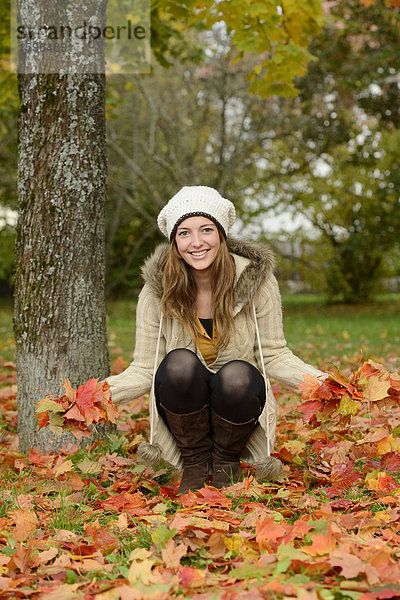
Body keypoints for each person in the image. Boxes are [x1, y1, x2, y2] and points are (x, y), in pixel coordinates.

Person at [106, 186, 327, 494]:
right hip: (182, 413)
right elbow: (145, 368)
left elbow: (275, 355)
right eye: (184, 233)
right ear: (174, 241)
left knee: (238, 373)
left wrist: (325, 384)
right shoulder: (157, 292)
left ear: (221, 234)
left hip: (237, 407)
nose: (196, 242)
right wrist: (96, 396)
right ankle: (195, 464)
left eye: (206, 230)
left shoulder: (257, 283)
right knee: (178, 363)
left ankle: (226, 461)